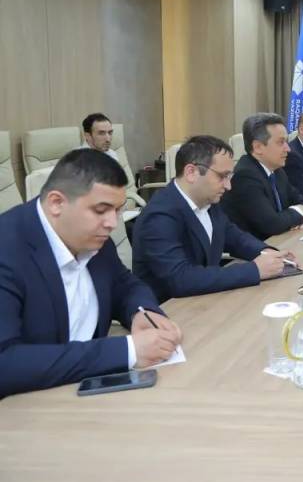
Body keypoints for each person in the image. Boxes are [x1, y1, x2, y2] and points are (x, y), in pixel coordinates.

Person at [0, 149, 182, 397]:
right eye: (101, 210)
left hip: (87, 391)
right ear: (56, 203)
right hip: (26, 404)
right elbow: (5, 363)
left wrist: (140, 312)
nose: (112, 223)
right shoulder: (7, 250)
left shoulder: (91, 236)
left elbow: (124, 284)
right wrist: (127, 351)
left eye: (117, 210)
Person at [132, 135, 296, 303]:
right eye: (222, 176)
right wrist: (255, 270)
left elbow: (233, 236)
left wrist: (266, 252)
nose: (228, 186)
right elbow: (181, 279)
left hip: (205, 300)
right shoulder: (159, 216)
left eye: (229, 177)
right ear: (191, 172)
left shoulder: (208, 200)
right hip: (170, 309)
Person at [221, 113, 303, 239]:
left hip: (282, 240)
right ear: (258, 147)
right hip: (258, 247)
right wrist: (299, 214)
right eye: (281, 142)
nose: (288, 149)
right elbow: (272, 224)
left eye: (286, 142)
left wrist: (293, 217)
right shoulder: (245, 176)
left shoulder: (277, 170)